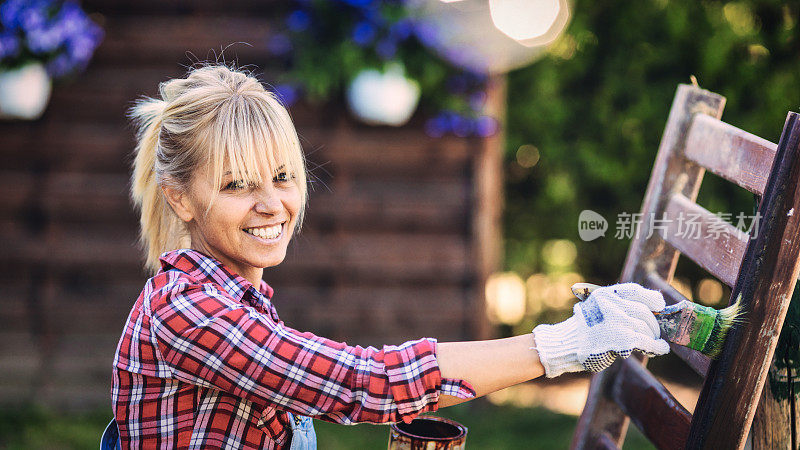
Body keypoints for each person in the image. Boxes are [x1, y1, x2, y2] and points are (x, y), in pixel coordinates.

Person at [111, 63, 670, 449]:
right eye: (236, 185)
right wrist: (562, 346)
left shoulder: (229, 296)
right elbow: (364, 384)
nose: (270, 204)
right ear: (179, 197)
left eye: (282, 177)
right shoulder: (187, 313)